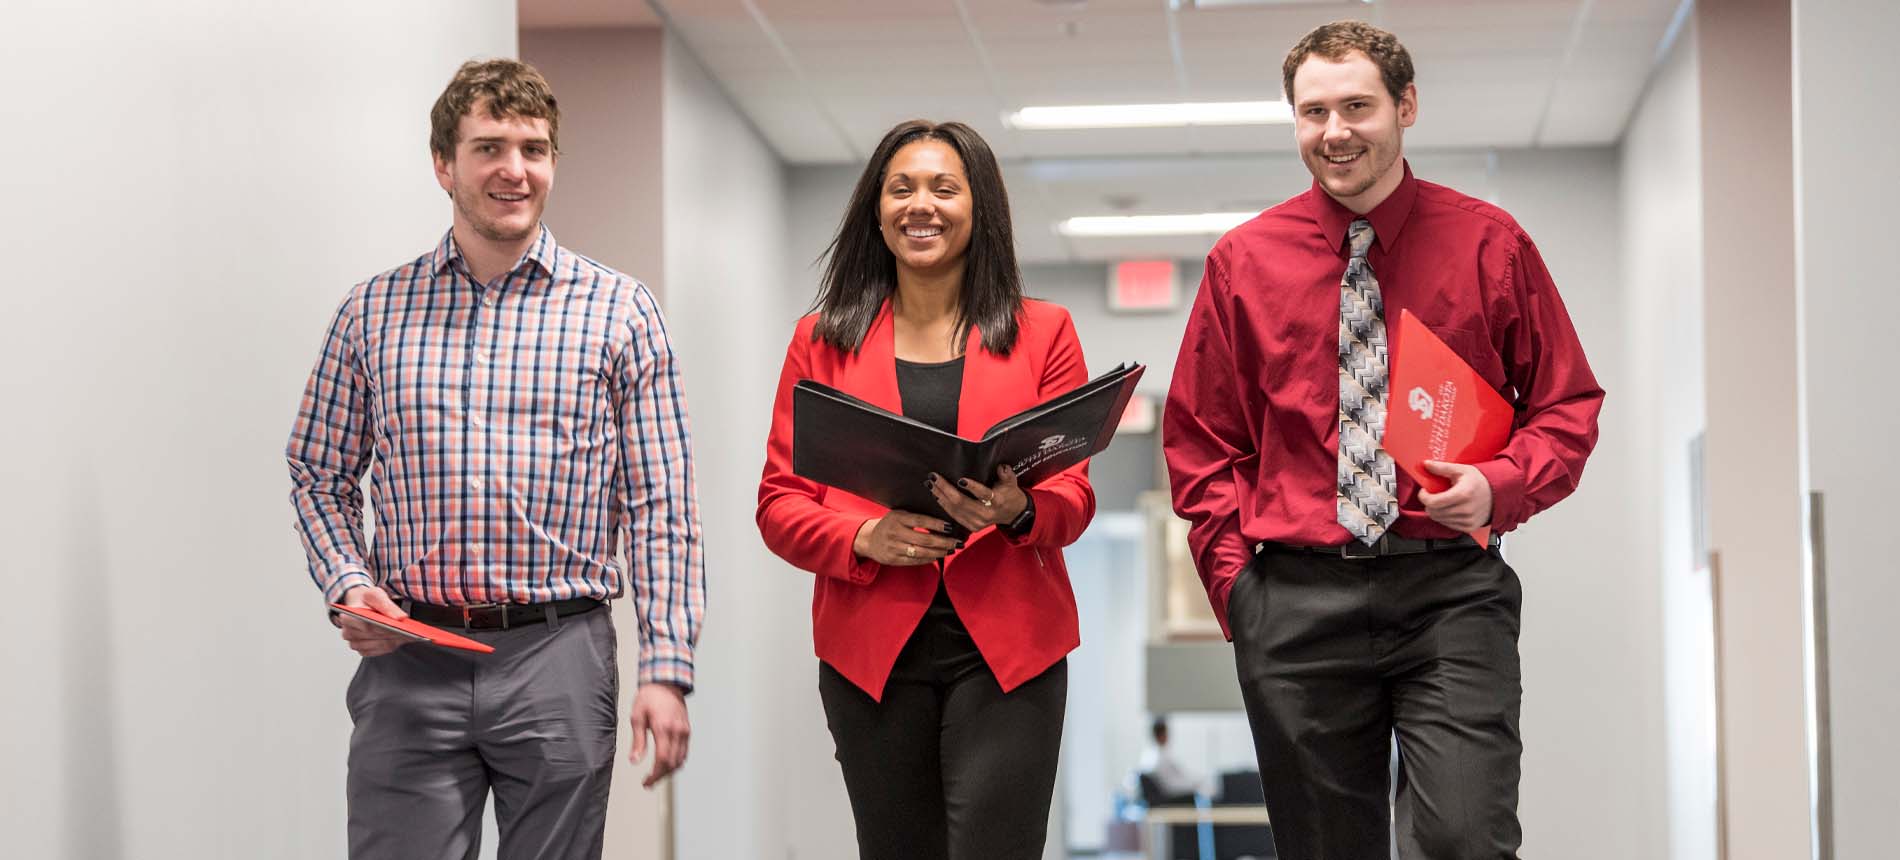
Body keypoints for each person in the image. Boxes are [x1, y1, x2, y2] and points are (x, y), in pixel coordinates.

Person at [1162, 21, 1604, 859]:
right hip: (1294, 601)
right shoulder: (1243, 263)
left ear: (1406, 106)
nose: (1334, 133)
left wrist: (1500, 486)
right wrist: (1239, 594)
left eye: (1357, 106)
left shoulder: (1490, 245)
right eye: (1312, 112)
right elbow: (1199, 440)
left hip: (1448, 592)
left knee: (1465, 838)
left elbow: (1567, 406)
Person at [286, 59, 705, 860]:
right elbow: (317, 471)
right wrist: (349, 583)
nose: (515, 169)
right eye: (489, 148)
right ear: (444, 164)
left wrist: (666, 666)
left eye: (533, 148)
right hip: (412, 654)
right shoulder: (371, 312)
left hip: (560, 656)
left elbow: (662, 506)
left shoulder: (620, 312)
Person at [756, 119, 1094, 860]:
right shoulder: (821, 340)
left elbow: (1073, 495)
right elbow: (780, 503)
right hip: (872, 651)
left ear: (980, 208)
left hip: (1009, 650)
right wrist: (861, 536)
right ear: (876, 210)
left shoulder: (1045, 332)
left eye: (945, 188)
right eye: (902, 188)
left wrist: (1020, 509)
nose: (922, 206)